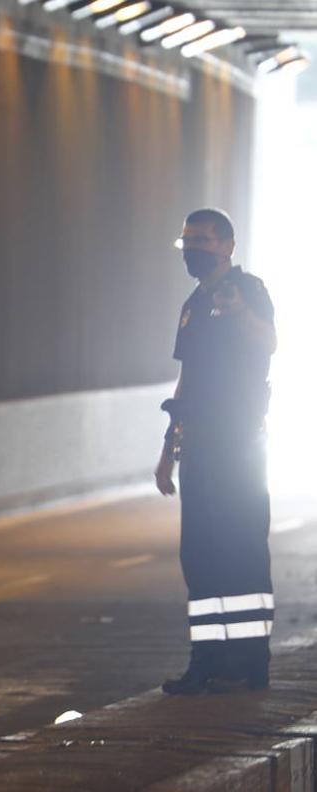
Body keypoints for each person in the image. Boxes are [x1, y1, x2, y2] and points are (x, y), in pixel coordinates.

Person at [156, 208, 277, 695]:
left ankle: (250, 662)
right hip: (199, 446)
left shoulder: (249, 291)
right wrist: (169, 447)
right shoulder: (191, 303)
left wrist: (239, 311)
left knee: (242, 551)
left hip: (240, 446)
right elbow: (186, 378)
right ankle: (206, 660)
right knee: (200, 556)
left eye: (203, 240)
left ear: (227, 245)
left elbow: (270, 342)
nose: (194, 249)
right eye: (187, 241)